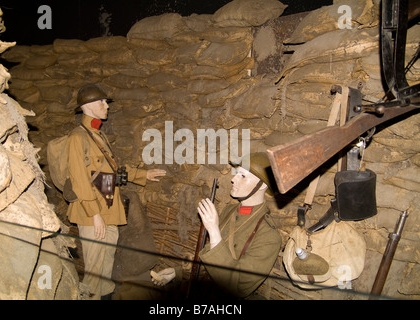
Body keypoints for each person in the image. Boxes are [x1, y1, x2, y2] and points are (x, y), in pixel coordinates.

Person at [66, 84, 166, 300]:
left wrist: (143, 175)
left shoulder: (97, 135)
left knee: (106, 268)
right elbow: (80, 180)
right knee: (94, 272)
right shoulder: (78, 138)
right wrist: (94, 215)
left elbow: (111, 169)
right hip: (92, 212)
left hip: (109, 208)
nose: (106, 106)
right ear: (88, 106)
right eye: (102, 102)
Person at [152, 152, 281, 299]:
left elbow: (239, 287)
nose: (234, 179)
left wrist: (213, 230)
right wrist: (178, 272)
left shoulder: (268, 236)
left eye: (243, 176)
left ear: (262, 185)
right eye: (236, 173)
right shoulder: (229, 211)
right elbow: (211, 263)